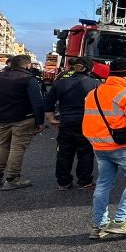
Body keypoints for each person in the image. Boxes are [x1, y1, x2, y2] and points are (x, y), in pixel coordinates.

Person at [82, 58, 126, 239]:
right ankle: (119, 222)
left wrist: (95, 141)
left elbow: (88, 121)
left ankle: (98, 226)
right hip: (125, 147)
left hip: (100, 146)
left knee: (103, 184)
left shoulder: (93, 93)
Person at [0, 54, 45, 190]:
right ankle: (12, 179)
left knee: (2, 146)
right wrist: (40, 122)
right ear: (27, 65)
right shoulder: (28, 79)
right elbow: (37, 103)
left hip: (2, 119)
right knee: (17, 148)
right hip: (24, 118)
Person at [44, 57, 100, 191]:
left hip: (66, 123)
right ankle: (84, 181)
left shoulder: (60, 83)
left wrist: (51, 119)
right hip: (87, 123)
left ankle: (63, 182)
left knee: (64, 153)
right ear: (89, 68)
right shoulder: (95, 84)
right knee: (85, 152)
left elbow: (48, 102)